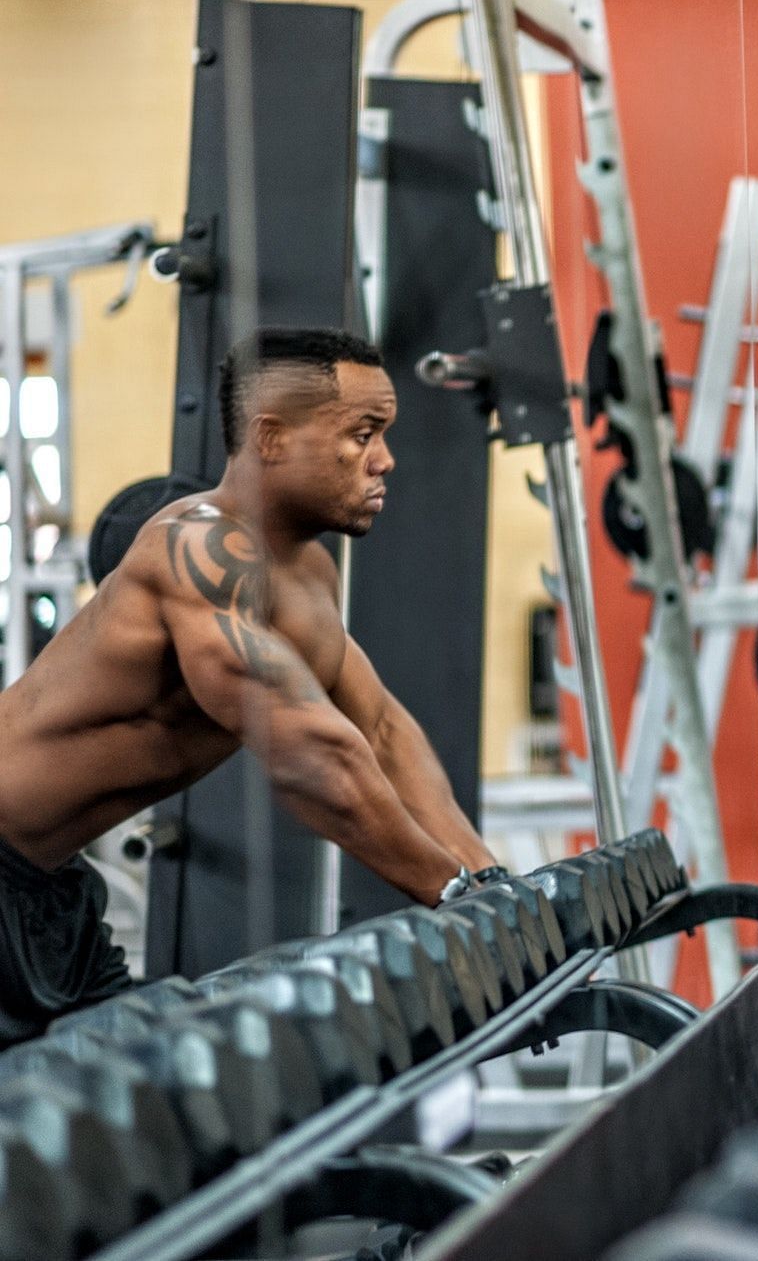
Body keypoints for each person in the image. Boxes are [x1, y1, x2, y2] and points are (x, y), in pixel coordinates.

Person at [0, 327, 500, 1049]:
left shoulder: (308, 578)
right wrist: (451, 894)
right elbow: (309, 756)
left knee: (155, 1112)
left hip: (50, 893)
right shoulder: (196, 547)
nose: (385, 460)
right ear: (271, 439)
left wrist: (493, 886)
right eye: (363, 435)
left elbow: (382, 733)